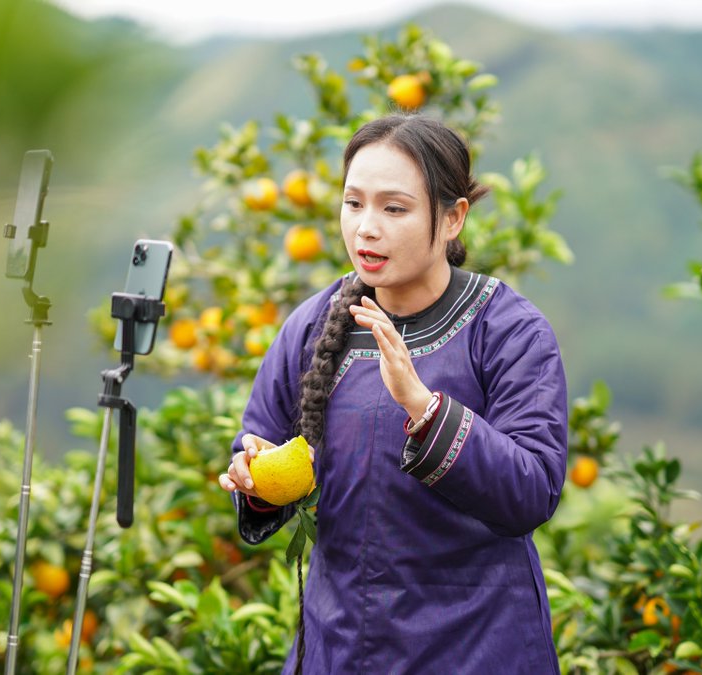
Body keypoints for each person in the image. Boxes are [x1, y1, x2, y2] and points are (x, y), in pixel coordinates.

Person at [216, 114, 568, 674]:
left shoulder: (507, 330)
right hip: (340, 647)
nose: (365, 228)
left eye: (394, 208)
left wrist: (424, 409)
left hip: (477, 645)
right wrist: (254, 479)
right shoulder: (312, 327)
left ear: (452, 218)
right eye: (353, 204)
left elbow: (533, 491)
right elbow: (259, 451)